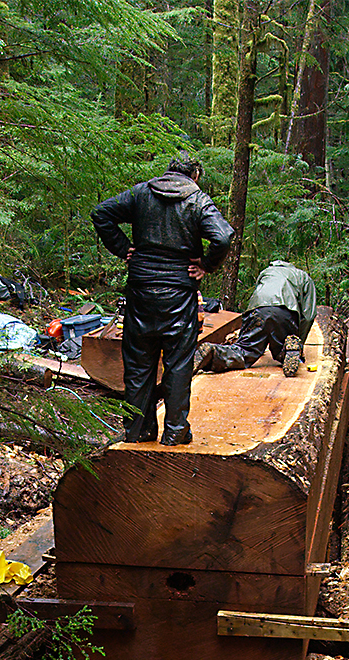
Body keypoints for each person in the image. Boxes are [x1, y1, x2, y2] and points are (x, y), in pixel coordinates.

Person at [90, 154, 234, 445]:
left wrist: (123, 248)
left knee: (138, 365)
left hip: (141, 291)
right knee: (178, 364)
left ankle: (137, 432)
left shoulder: (142, 193)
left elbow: (101, 213)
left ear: (169, 172)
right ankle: (175, 431)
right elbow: (223, 237)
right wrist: (206, 264)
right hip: (178, 295)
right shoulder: (198, 200)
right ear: (195, 175)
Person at [198, 259, 316, 377]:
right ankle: (288, 349)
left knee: (244, 350)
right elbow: (308, 316)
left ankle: (214, 354)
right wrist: (299, 340)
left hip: (258, 310)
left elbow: (258, 294)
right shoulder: (303, 277)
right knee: (281, 350)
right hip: (285, 312)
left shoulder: (267, 272)